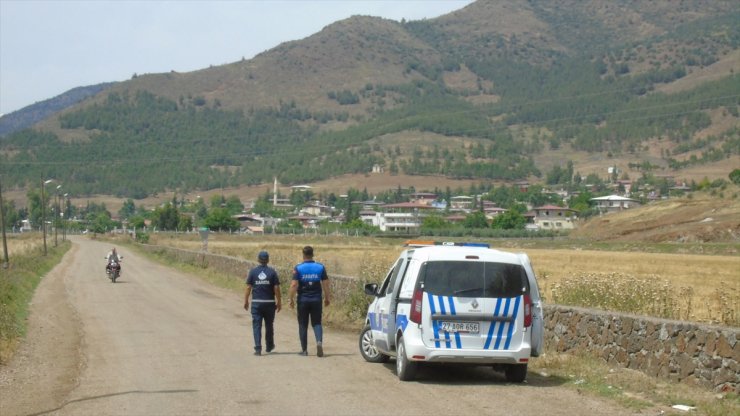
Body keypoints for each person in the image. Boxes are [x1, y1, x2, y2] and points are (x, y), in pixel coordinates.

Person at [288, 246, 331, 357]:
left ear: (303, 255)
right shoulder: (320, 267)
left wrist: (291, 299)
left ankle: (304, 350)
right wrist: (327, 298)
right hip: (316, 299)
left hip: (303, 300)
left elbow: (294, 285)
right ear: (313, 254)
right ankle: (319, 342)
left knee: (303, 324)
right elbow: (325, 284)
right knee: (317, 322)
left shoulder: (299, 268)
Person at [244, 251, 281, 356]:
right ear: (268, 260)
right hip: (269, 303)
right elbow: (276, 288)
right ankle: (269, 346)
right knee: (269, 325)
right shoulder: (272, 272)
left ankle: (258, 348)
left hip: (256, 303)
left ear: (258, 260)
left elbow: (248, 287)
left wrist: (246, 300)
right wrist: (279, 302)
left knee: (257, 325)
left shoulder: (253, 272)